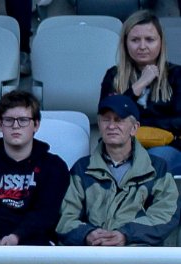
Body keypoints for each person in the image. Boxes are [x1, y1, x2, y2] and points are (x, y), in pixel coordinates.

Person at [57, 93, 180, 248]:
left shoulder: (157, 168)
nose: (111, 126)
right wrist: (87, 234)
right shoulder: (82, 168)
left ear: (134, 128)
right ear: (99, 124)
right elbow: (65, 217)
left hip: (137, 254)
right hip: (90, 254)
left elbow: (166, 213)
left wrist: (126, 234)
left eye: (119, 120)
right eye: (106, 119)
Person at [0, 91, 68, 247]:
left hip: (33, 244)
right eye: (9, 120)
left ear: (36, 125)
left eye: (23, 120)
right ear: (0, 124)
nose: (15, 126)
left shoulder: (54, 166)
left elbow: (46, 213)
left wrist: (16, 237)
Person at [101, 11, 181, 174]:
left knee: (150, 162)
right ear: (125, 43)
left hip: (166, 145)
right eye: (135, 40)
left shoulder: (177, 75)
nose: (142, 46)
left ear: (161, 42)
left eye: (150, 40)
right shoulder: (113, 76)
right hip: (121, 145)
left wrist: (141, 125)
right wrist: (139, 85)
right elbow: (109, 116)